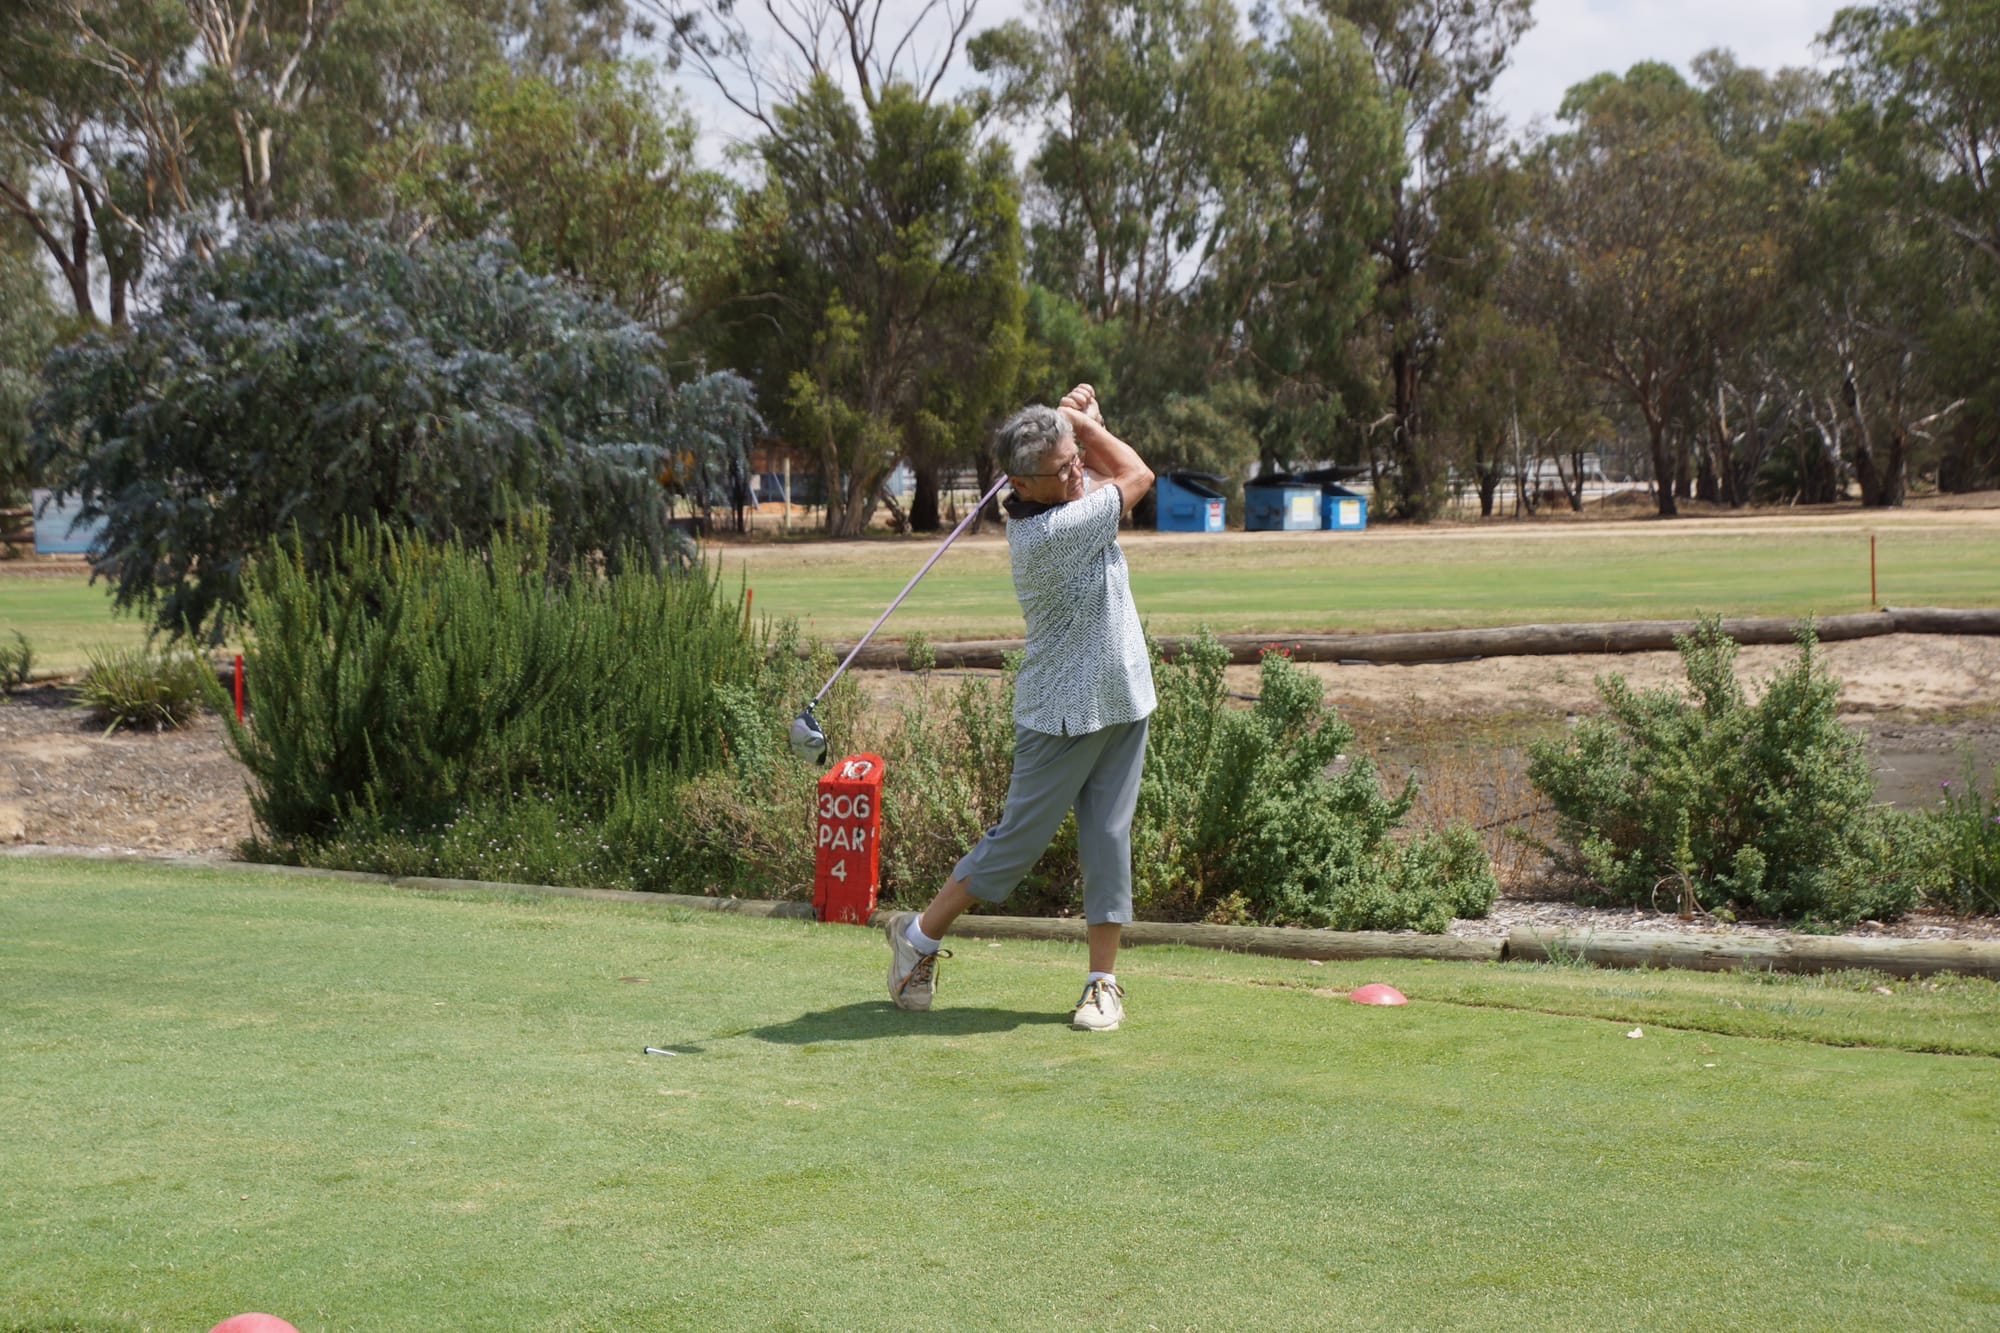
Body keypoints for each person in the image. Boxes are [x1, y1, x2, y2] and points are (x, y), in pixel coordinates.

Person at [882, 384, 1156, 1031]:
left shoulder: (1067, 498)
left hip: (1122, 697)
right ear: (1022, 485)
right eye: (1062, 468)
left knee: (1109, 842)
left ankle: (1101, 984)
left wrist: (1080, 429)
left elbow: (1101, 479)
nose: (1075, 472)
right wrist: (1083, 426)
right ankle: (917, 938)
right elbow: (1136, 476)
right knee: (1014, 848)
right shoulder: (1049, 533)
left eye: (1074, 460)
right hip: (1062, 713)